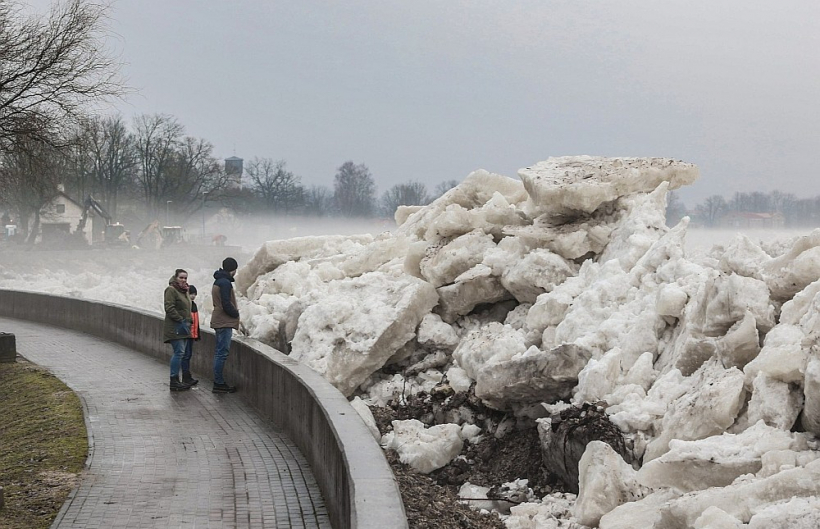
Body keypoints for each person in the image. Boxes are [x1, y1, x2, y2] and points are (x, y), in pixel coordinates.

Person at [210, 257, 240, 393]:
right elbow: (226, 303)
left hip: (219, 319)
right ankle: (219, 383)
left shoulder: (218, 281)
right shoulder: (225, 283)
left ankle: (218, 381)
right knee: (222, 353)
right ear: (233, 269)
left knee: (219, 352)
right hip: (224, 321)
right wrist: (235, 314)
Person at [163, 268, 193, 391]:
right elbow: (169, 307)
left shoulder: (184, 290)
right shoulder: (171, 290)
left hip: (184, 327)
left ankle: (177, 380)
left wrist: (188, 321)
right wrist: (180, 319)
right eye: (181, 277)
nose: (183, 280)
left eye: (185, 278)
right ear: (175, 277)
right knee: (179, 352)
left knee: (181, 353)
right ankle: (174, 380)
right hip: (175, 327)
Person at [180, 284, 200, 386]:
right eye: (191, 294)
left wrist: (196, 334)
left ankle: (187, 376)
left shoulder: (193, 305)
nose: (193, 296)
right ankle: (186, 376)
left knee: (188, 355)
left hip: (192, 335)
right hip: (187, 335)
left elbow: (196, 322)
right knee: (186, 356)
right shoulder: (186, 306)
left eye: (194, 294)